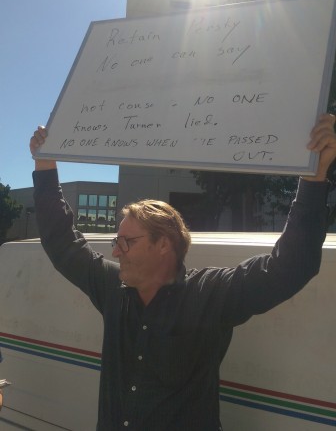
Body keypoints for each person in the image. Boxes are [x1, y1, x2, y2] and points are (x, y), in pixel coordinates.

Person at [30, 114, 336, 431]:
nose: (115, 251)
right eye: (115, 241)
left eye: (126, 242)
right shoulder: (112, 289)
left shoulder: (210, 295)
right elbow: (62, 243)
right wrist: (45, 166)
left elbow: (289, 267)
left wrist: (314, 181)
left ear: (163, 245)